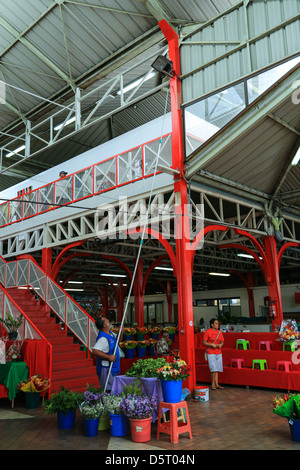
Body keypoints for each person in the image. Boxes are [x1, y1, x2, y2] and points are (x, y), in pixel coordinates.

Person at [92, 316, 123, 391]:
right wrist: (108, 357)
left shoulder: (110, 333)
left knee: (113, 387)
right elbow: (95, 351)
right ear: (104, 325)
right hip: (105, 368)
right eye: (106, 320)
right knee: (107, 389)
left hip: (112, 367)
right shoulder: (103, 338)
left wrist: (121, 332)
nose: (108, 320)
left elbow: (117, 341)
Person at [202, 318, 224, 390]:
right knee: (213, 369)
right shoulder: (207, 332)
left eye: (218, 323)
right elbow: (204, 342)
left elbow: (222, 341)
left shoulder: (219, 332)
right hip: (211, 352)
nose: (217, 325)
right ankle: (213, 384)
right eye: (216, 323)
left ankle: (216, 384)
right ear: (212, 325)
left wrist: (220, 345)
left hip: (218, 352)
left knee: (217, 369)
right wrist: (211, 345)